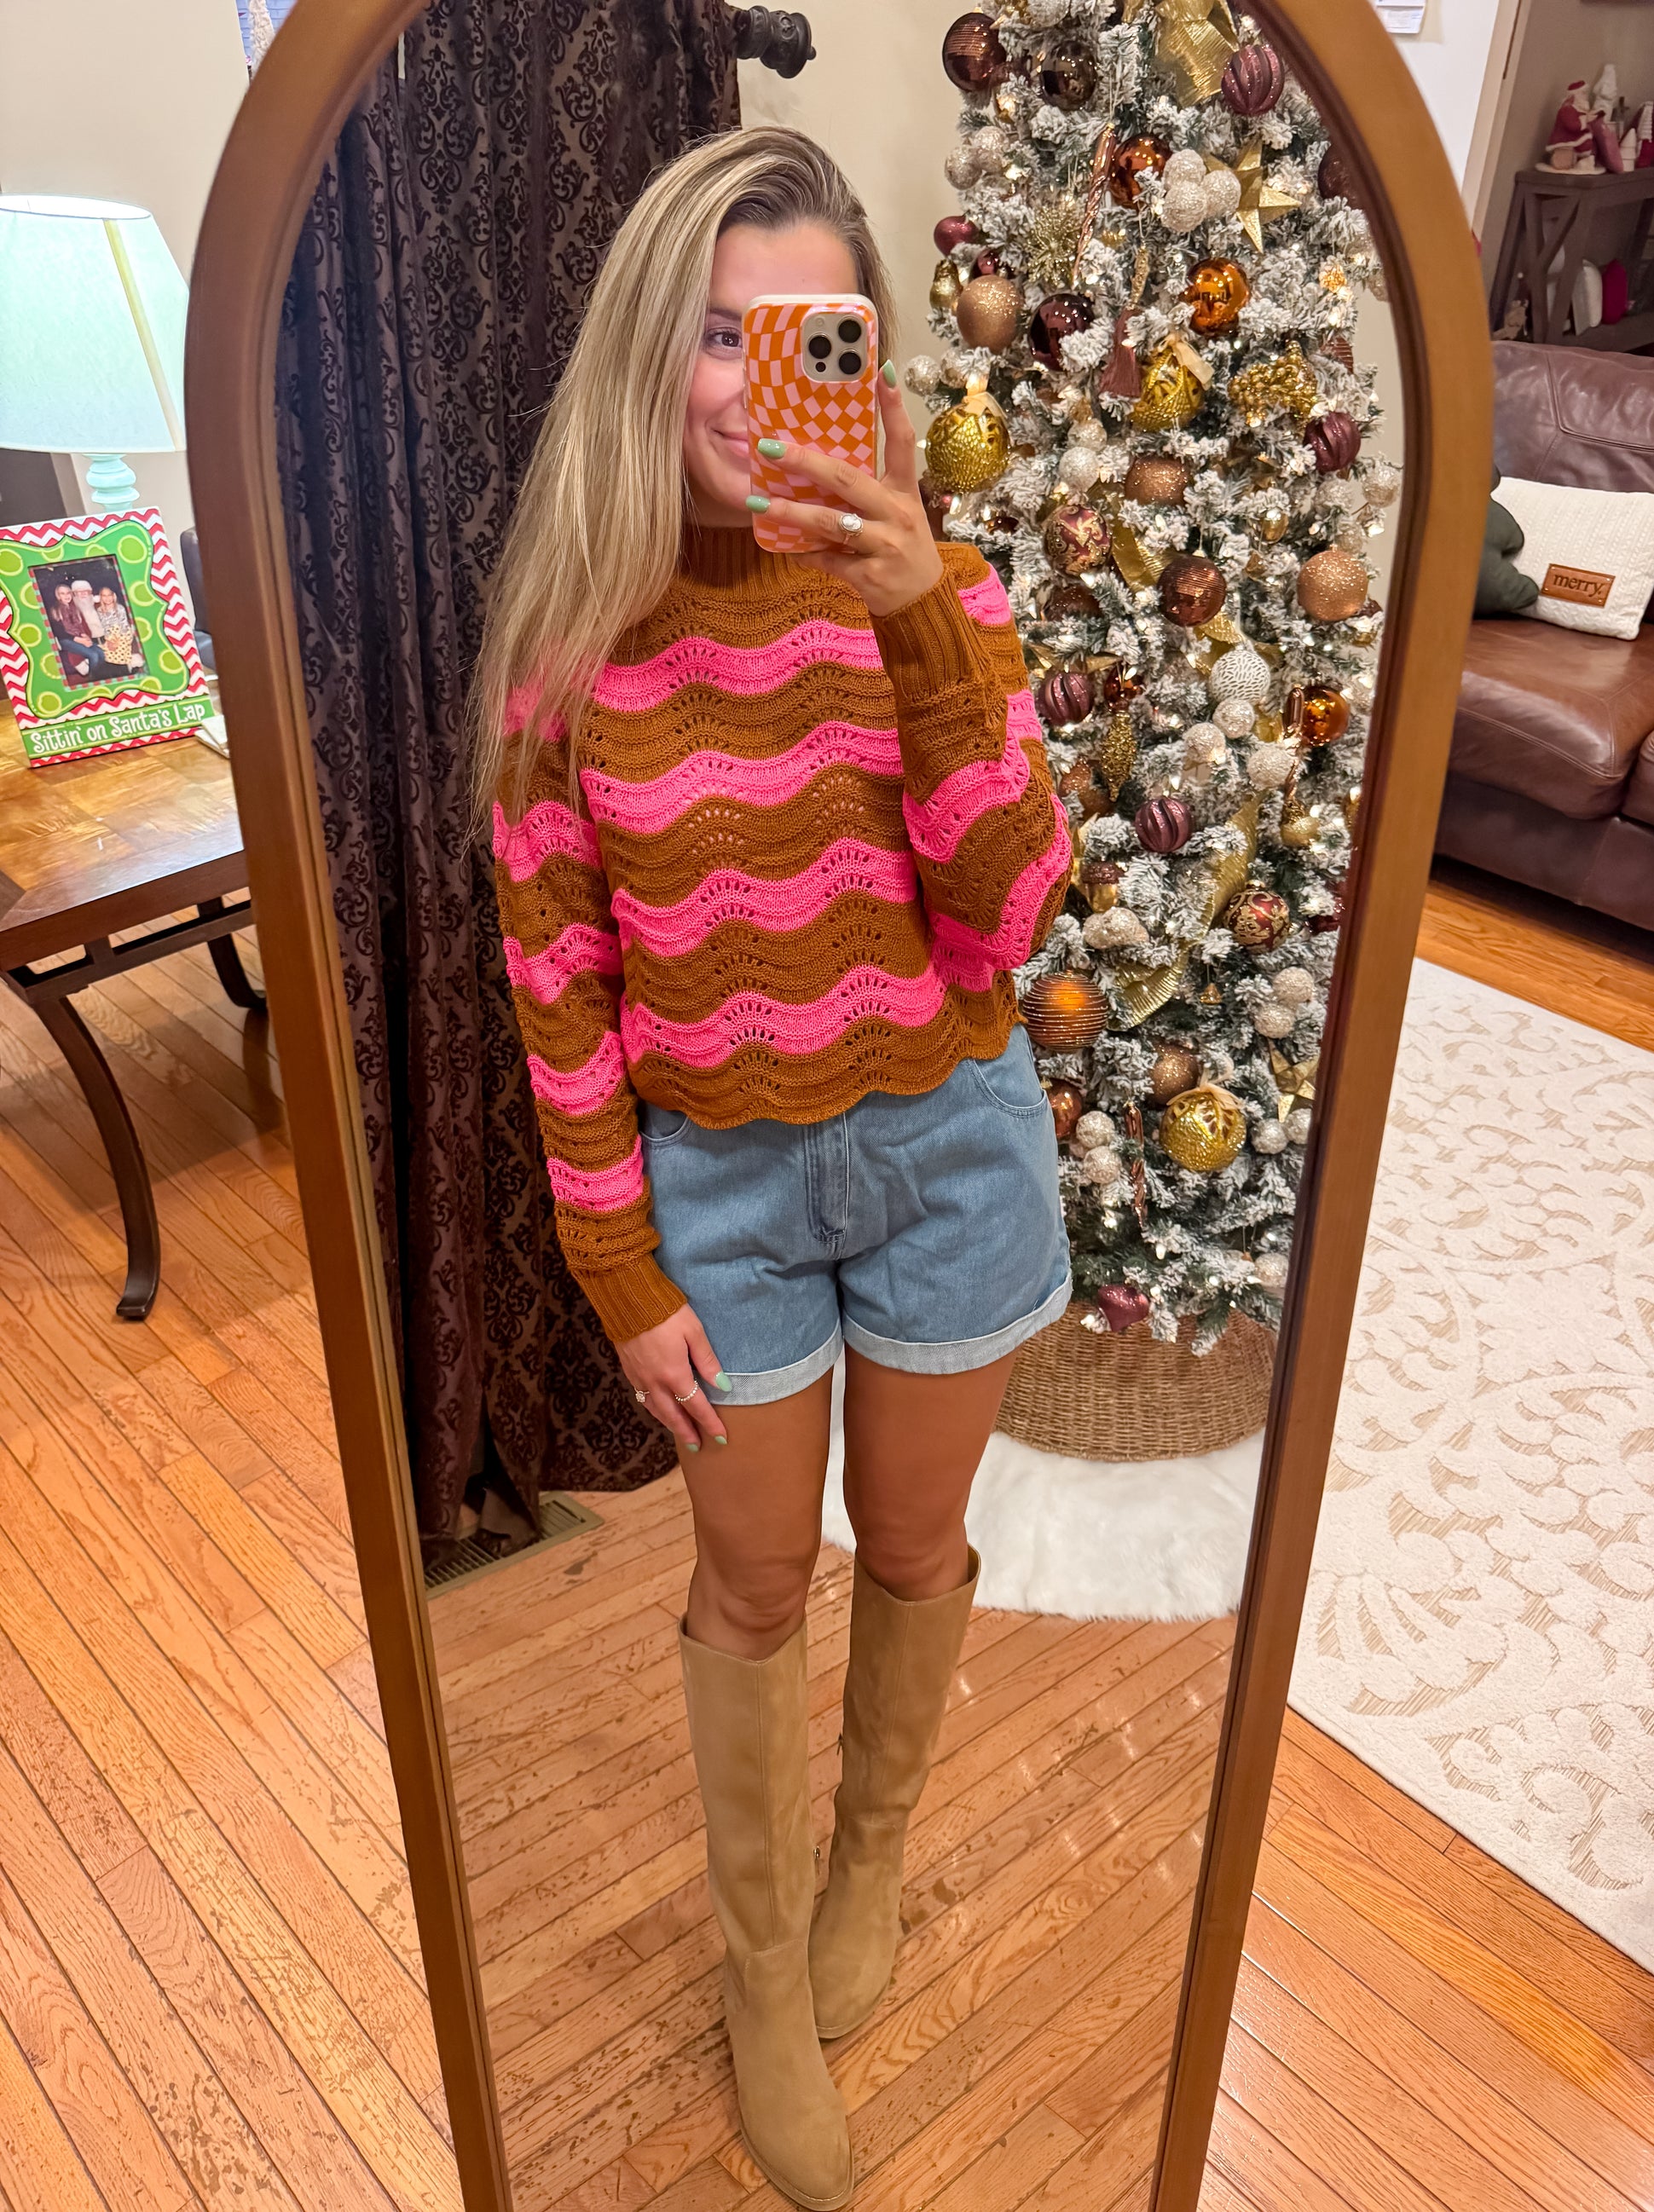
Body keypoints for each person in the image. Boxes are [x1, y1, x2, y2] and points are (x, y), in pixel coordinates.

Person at [477, 130, 1069, 2210]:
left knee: (910, 1551)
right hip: (717, 1196)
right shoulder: (573, 658)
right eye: (716, 335)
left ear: (868, 362)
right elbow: (560, 995)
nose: (754, 382)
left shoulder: (944, 599)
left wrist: (924, 630)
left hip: (946, 1153)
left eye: (806, 333)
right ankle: (754, 1970)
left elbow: (1012, 914)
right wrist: (619, 1268)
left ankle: (867, 1855)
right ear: (649, 356)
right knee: (748, 1582)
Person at [44, 580, 110, 685]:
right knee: (93, 655)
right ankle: (93, 680)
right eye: (62, 593)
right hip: (66, 640)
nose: (66, 596)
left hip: (79, 637)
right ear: (58, 596)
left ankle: (101, 676)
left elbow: (81, 626)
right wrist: (81, 641)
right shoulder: (55, 610)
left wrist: (86, 637)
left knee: (101, 653)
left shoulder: (74, 608)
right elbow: (60, 633)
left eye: (68, 593)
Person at [92, 584, 143, 675]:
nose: (107, 598)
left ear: (113, 596)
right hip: (110, 635)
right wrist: (110, 640)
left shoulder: (120, 608)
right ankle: (116, 673)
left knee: (119, 649)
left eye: (109, 595)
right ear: (101, 597)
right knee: (107, 651)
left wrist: (117, 640)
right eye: (104, 596)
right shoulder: (100, 610)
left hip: (123, 633)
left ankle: (126, 671)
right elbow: (105, 626)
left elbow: (124, 625)